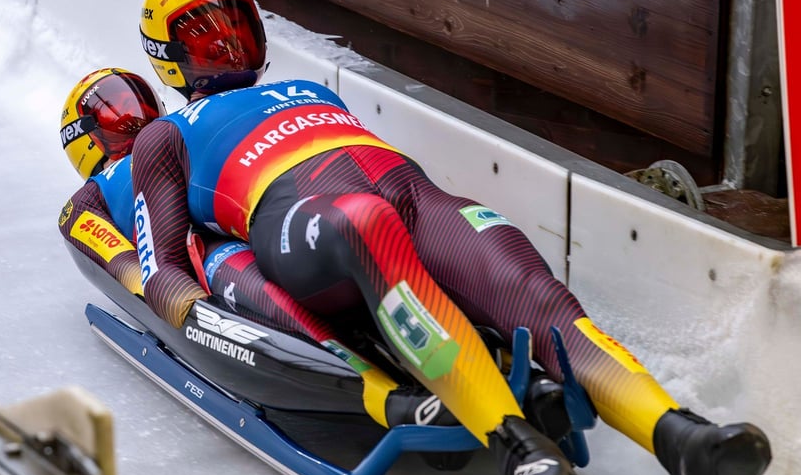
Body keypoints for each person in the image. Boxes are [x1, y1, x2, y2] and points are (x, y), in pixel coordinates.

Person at [126, 0, 773, 475]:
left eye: (237, 26)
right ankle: (516, 447)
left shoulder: (314, 90)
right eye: (205, 39)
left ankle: (681, 436)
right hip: (306, 222)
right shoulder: (164, 137)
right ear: (168, 54)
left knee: (524, 283)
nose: (228, 46)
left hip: (413, 195)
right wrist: (204, 316)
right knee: (363, 223)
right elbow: (164, 265)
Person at [55, 67, 571, 441]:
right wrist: (169, 296)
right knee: (239, 265)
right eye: (112, 119)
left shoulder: (180, 136)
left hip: (252, 224)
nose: (130, 120)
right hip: (209, 258)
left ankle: (486, 355)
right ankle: (385, 391)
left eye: (136, 104)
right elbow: (114, 253)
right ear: (86, 142)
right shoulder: (89, 198)